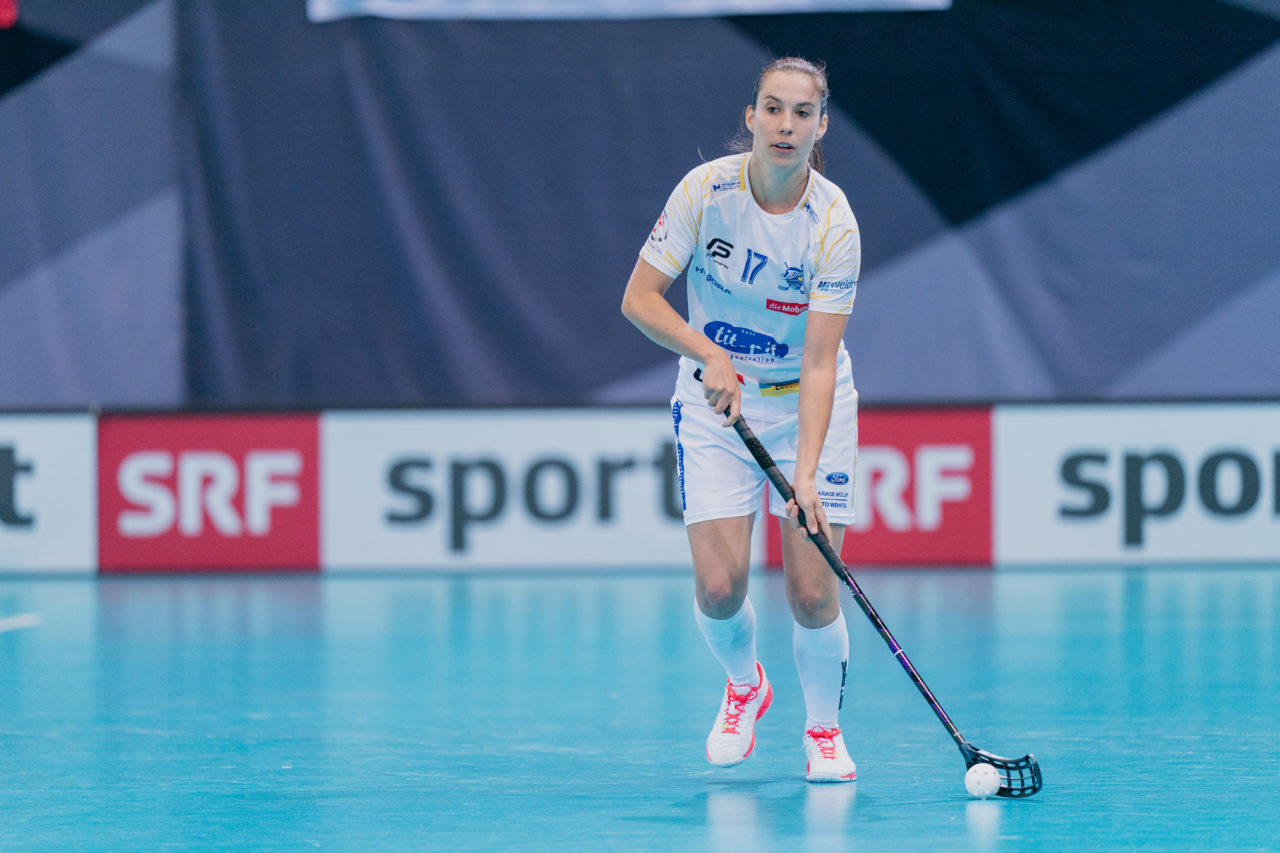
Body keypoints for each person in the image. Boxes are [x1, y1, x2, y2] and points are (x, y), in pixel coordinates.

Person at [621, 57, 861, 783]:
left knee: (812, 589)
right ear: (751, 116)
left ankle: (823, 730)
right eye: (772, 108)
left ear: (821, 126)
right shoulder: (706, 192)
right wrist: (707, 353)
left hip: (807, 403)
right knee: (720, 587)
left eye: (801, 113)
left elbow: (821, 361)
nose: (785, 125)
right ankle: (745, 685)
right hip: (714, 400)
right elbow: (640, 299)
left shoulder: (834, 224)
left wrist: (807, 473)